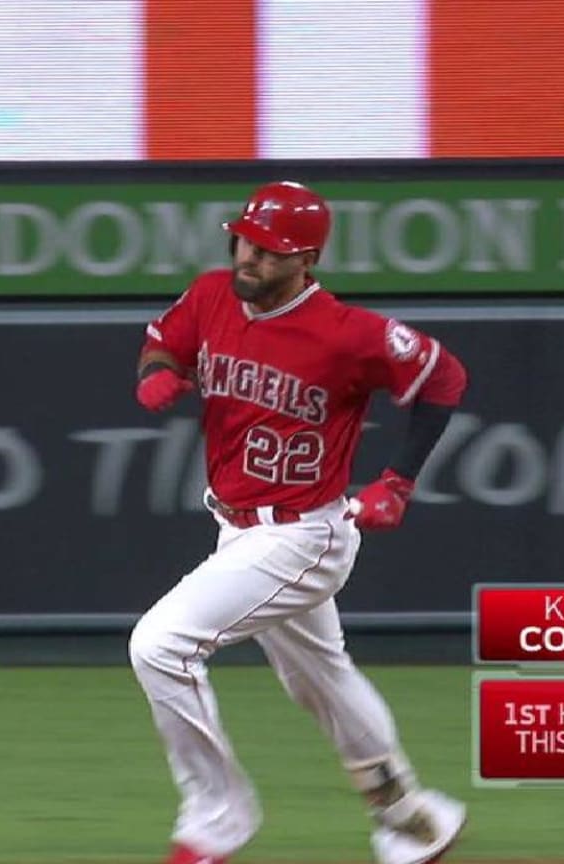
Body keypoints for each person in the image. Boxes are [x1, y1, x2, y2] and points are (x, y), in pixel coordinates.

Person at [129, 181, 469, 864]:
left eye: (269, 251)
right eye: (245, 241)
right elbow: (164, 344)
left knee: (160, 645)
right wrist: (157, 372)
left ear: (306, 259)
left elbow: (444, 378)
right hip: (236, 525)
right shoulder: (210, 295)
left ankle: (217, 817)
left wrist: (398, 482)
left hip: (303, 531)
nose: (249, 258)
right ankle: (408, 815)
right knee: (319, 676)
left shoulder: (348, 333)